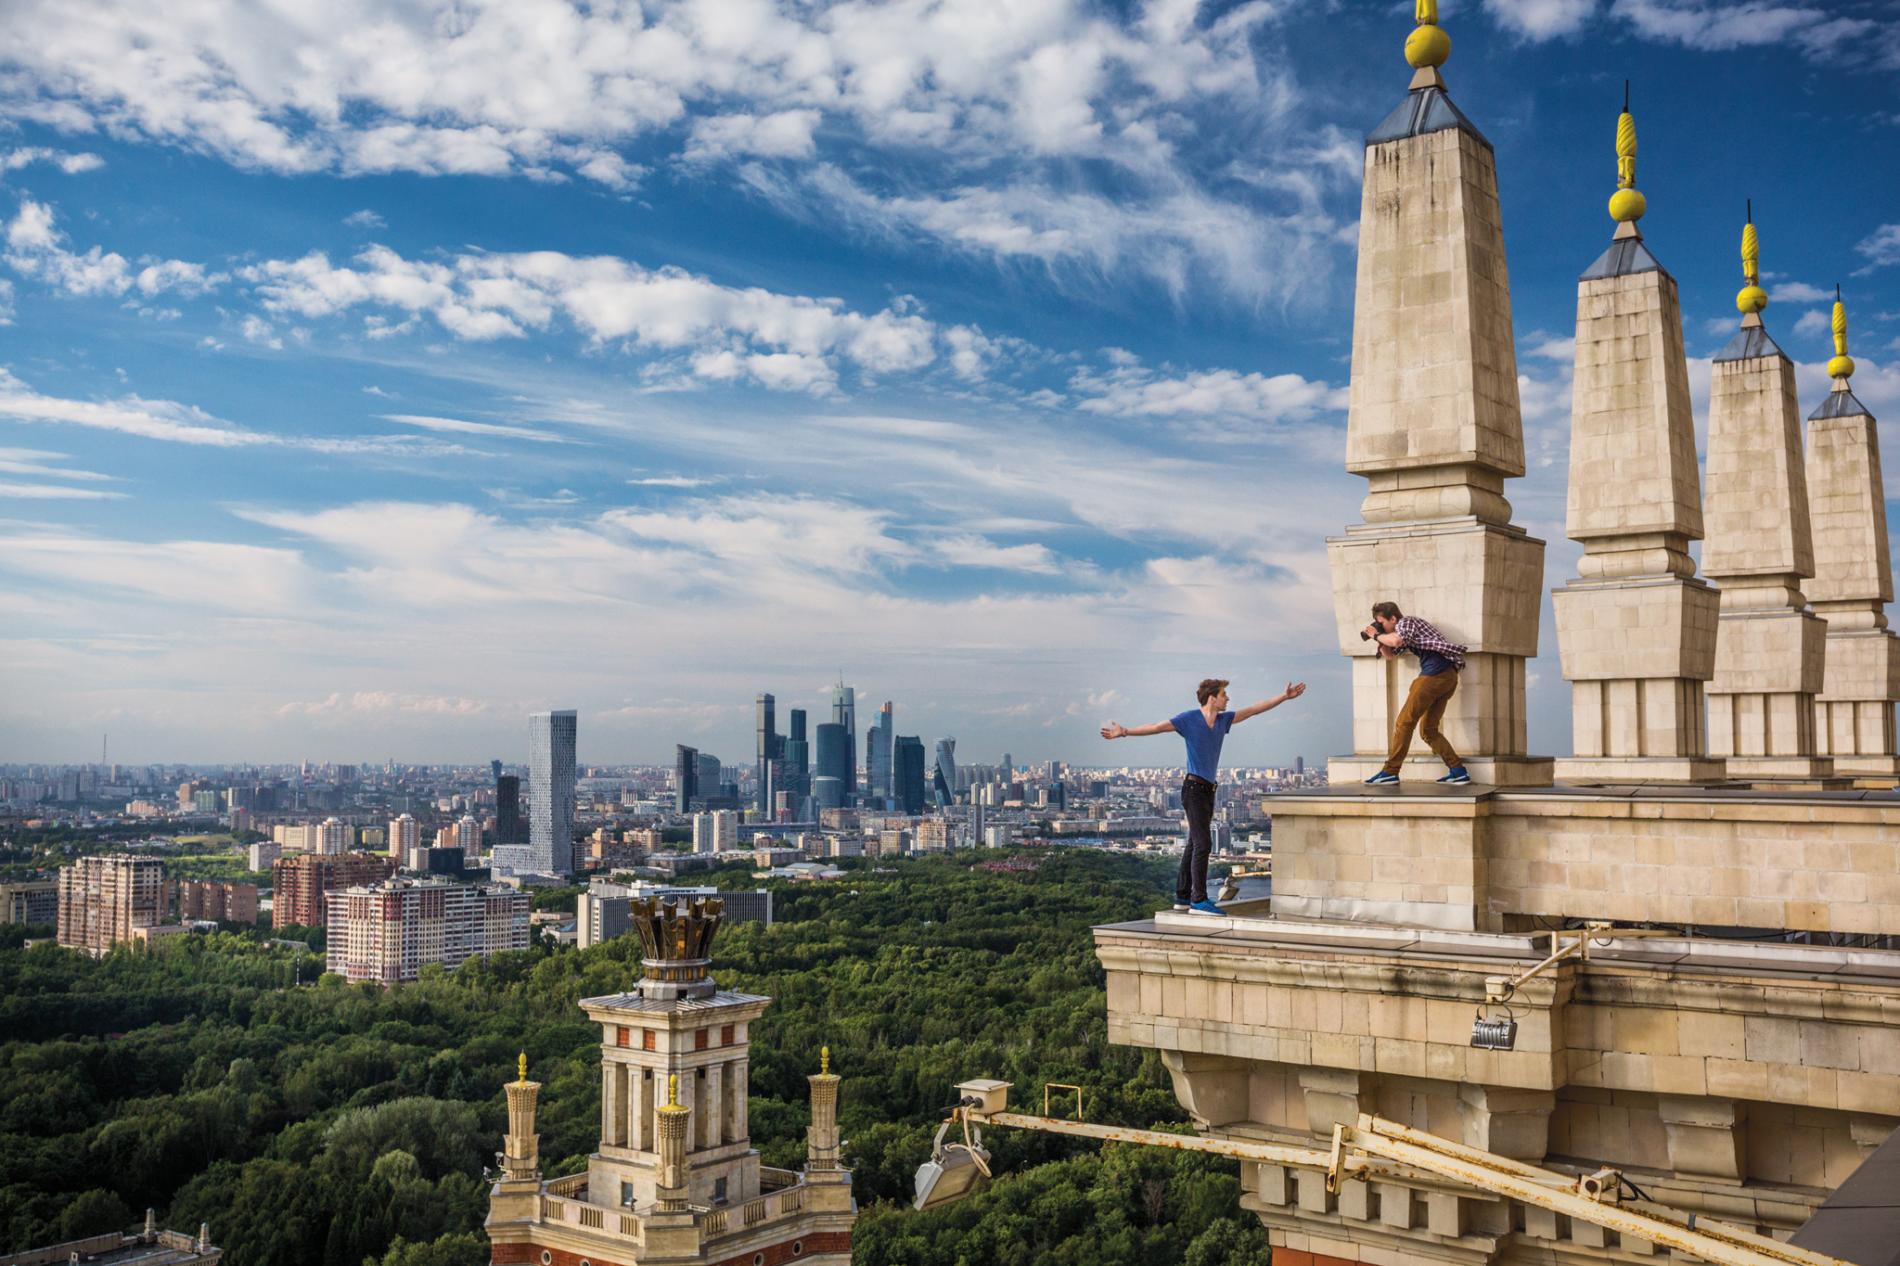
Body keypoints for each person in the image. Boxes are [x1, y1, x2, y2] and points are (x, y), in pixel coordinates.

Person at [1101, 677, 1306, 915]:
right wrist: (1124, 732)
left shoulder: (1223, 720)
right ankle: (1198, 899)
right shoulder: (1188, 720)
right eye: (1224, 694)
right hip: (1194, 789)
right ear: (1213, 697)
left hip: (1208, 791)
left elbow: (1254, 710)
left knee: (1193, 843)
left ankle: (1182, 896)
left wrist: (1283, 697)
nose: (1227, 698)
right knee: (1203, 844)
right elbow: (1157, 727)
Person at [1360, 601, 1469, 786]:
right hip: (1447, 677)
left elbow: (1396, 641)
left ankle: (1390, 771)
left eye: (1382, 622)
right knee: (1428, 730)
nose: (1381, 626)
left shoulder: (1406, 622)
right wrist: (1379, 639)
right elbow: (1390, 655)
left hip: (1435, 675)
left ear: (1393, 618)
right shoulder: (1400, 631)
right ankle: (1458, 770)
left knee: (1404, 722)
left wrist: (1376, 634)